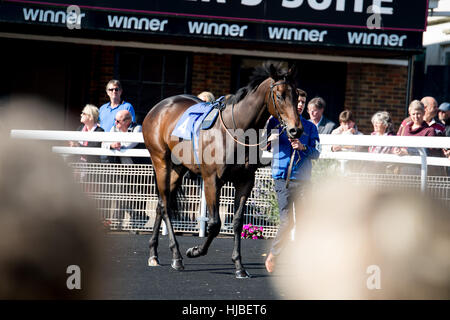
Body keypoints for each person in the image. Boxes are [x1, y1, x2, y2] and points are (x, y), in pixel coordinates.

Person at [264, 101, 320, 273]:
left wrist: (303, 147)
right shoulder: (274, 122)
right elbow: (261, 145)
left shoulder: (310, 127)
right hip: (282, 178)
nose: (300, 105)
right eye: (297, 101)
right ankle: (274, 253)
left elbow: (316, 152)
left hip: (303, 180)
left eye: (303, 102)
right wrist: (268, 140)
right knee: (287, 221)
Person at [394, 100, 436, 175]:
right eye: (413, 114)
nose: (416, 117)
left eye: (418, 114)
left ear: (423, 113)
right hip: (403, 168)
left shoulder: (430, 131)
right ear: (409, 114)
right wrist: (396, 150)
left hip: (420, 170)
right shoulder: (405, 128)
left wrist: (407, 152)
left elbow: (428, 151)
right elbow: (397, 143)